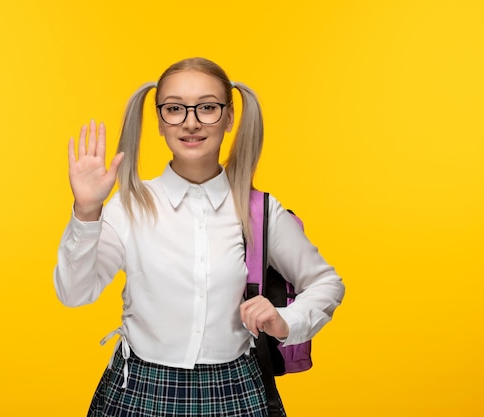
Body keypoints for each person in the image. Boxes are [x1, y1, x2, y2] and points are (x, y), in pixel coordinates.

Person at [54, 57, 345, 417]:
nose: (191, 122)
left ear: (229, 117)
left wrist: (288, 321)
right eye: (174, 109)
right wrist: (86, 212)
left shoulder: (258, 210)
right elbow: (74, 293)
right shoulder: (128, 206)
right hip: (140, 392)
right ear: (160, 121)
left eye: (207, 107)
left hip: (236, 390)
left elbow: (326, 282)